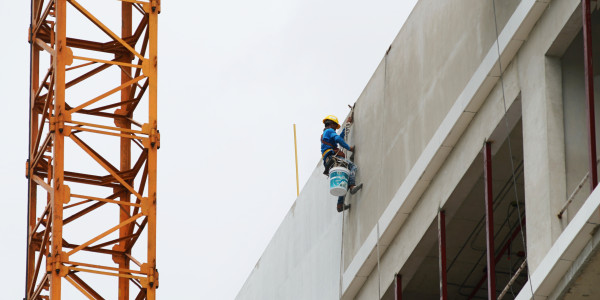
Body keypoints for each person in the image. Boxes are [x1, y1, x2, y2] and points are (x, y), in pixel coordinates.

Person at [321, 115, 363, 212]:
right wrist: (349, 148)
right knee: (353, 166)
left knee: (343, 178)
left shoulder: (325, 134)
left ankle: (340, 205)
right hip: (333, 157)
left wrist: (348, 124)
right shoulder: (329, 131)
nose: (335, 130)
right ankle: (352, 186)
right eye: (335, 127)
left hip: (329, 161)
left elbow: (339, 137)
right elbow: (339, 140)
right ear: (331, 124)